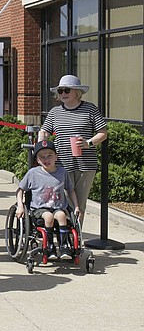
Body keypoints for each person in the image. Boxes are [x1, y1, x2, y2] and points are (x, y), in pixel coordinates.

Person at [38, 74, 107, 227]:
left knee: (79, 204)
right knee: (63, 202)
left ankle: (76, 238)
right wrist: (41, 141)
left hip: (86, 165)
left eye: (66, 90)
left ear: (77, 92)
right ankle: (65, 234)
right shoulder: (55, 112)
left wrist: (88, 142)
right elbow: (44, 131)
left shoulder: (90, 109)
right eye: (60, 91)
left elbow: (103, 133)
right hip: (62, 163)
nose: (63, 94)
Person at [15, 140, 81, 260]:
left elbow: (71, 190)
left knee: (61, 216)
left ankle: (64, 246)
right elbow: (20, 190)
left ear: (56, 156)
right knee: (48, 217)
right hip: (39, 209)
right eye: (42, 157)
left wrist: (76, 206)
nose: (46, 159)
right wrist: (20, 205)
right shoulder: (33, 173)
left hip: (58, 207)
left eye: (49, 155)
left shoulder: (62, 172)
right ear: (38, 160)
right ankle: (50, 246)